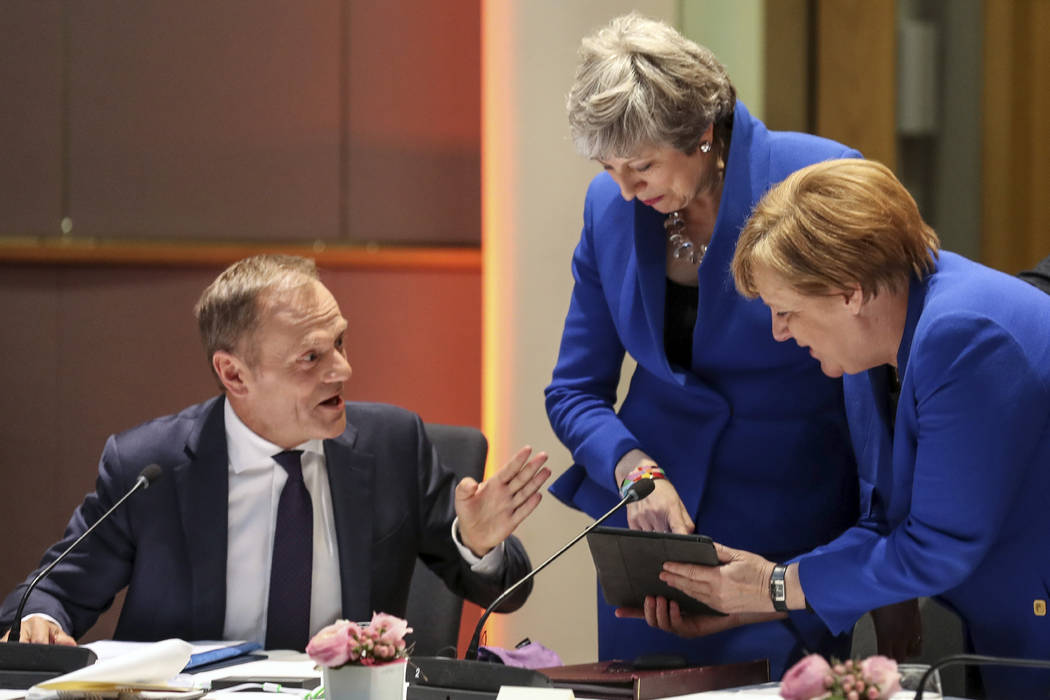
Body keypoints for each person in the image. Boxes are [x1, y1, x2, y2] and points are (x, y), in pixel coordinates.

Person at [640, 159, 1050, 698]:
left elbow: (936, 548)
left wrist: (776, 587)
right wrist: (750, 597)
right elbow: (886, 520)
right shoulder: (872, 346)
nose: (778, 332)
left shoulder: (963, 336)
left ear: (849, 292)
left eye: (786, 310)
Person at [545, 13, 874, 677]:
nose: (626, 190)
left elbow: (880, 388)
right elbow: (574, 391)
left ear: (701, 132)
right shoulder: (610, 210)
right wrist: (637, 474)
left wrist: (883, 557)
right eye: (609, 167)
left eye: (641, 165)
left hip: (789, 540)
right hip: (655, 541)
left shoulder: (819, 179)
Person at [0, 254, 550, 650]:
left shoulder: (393, 446)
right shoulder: (151, 467)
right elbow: (49, 591)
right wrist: (40, 619)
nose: (342, 370)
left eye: (340, 342)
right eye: (310, 358)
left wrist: (477, 544)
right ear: (234, 373)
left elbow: (509, 590)